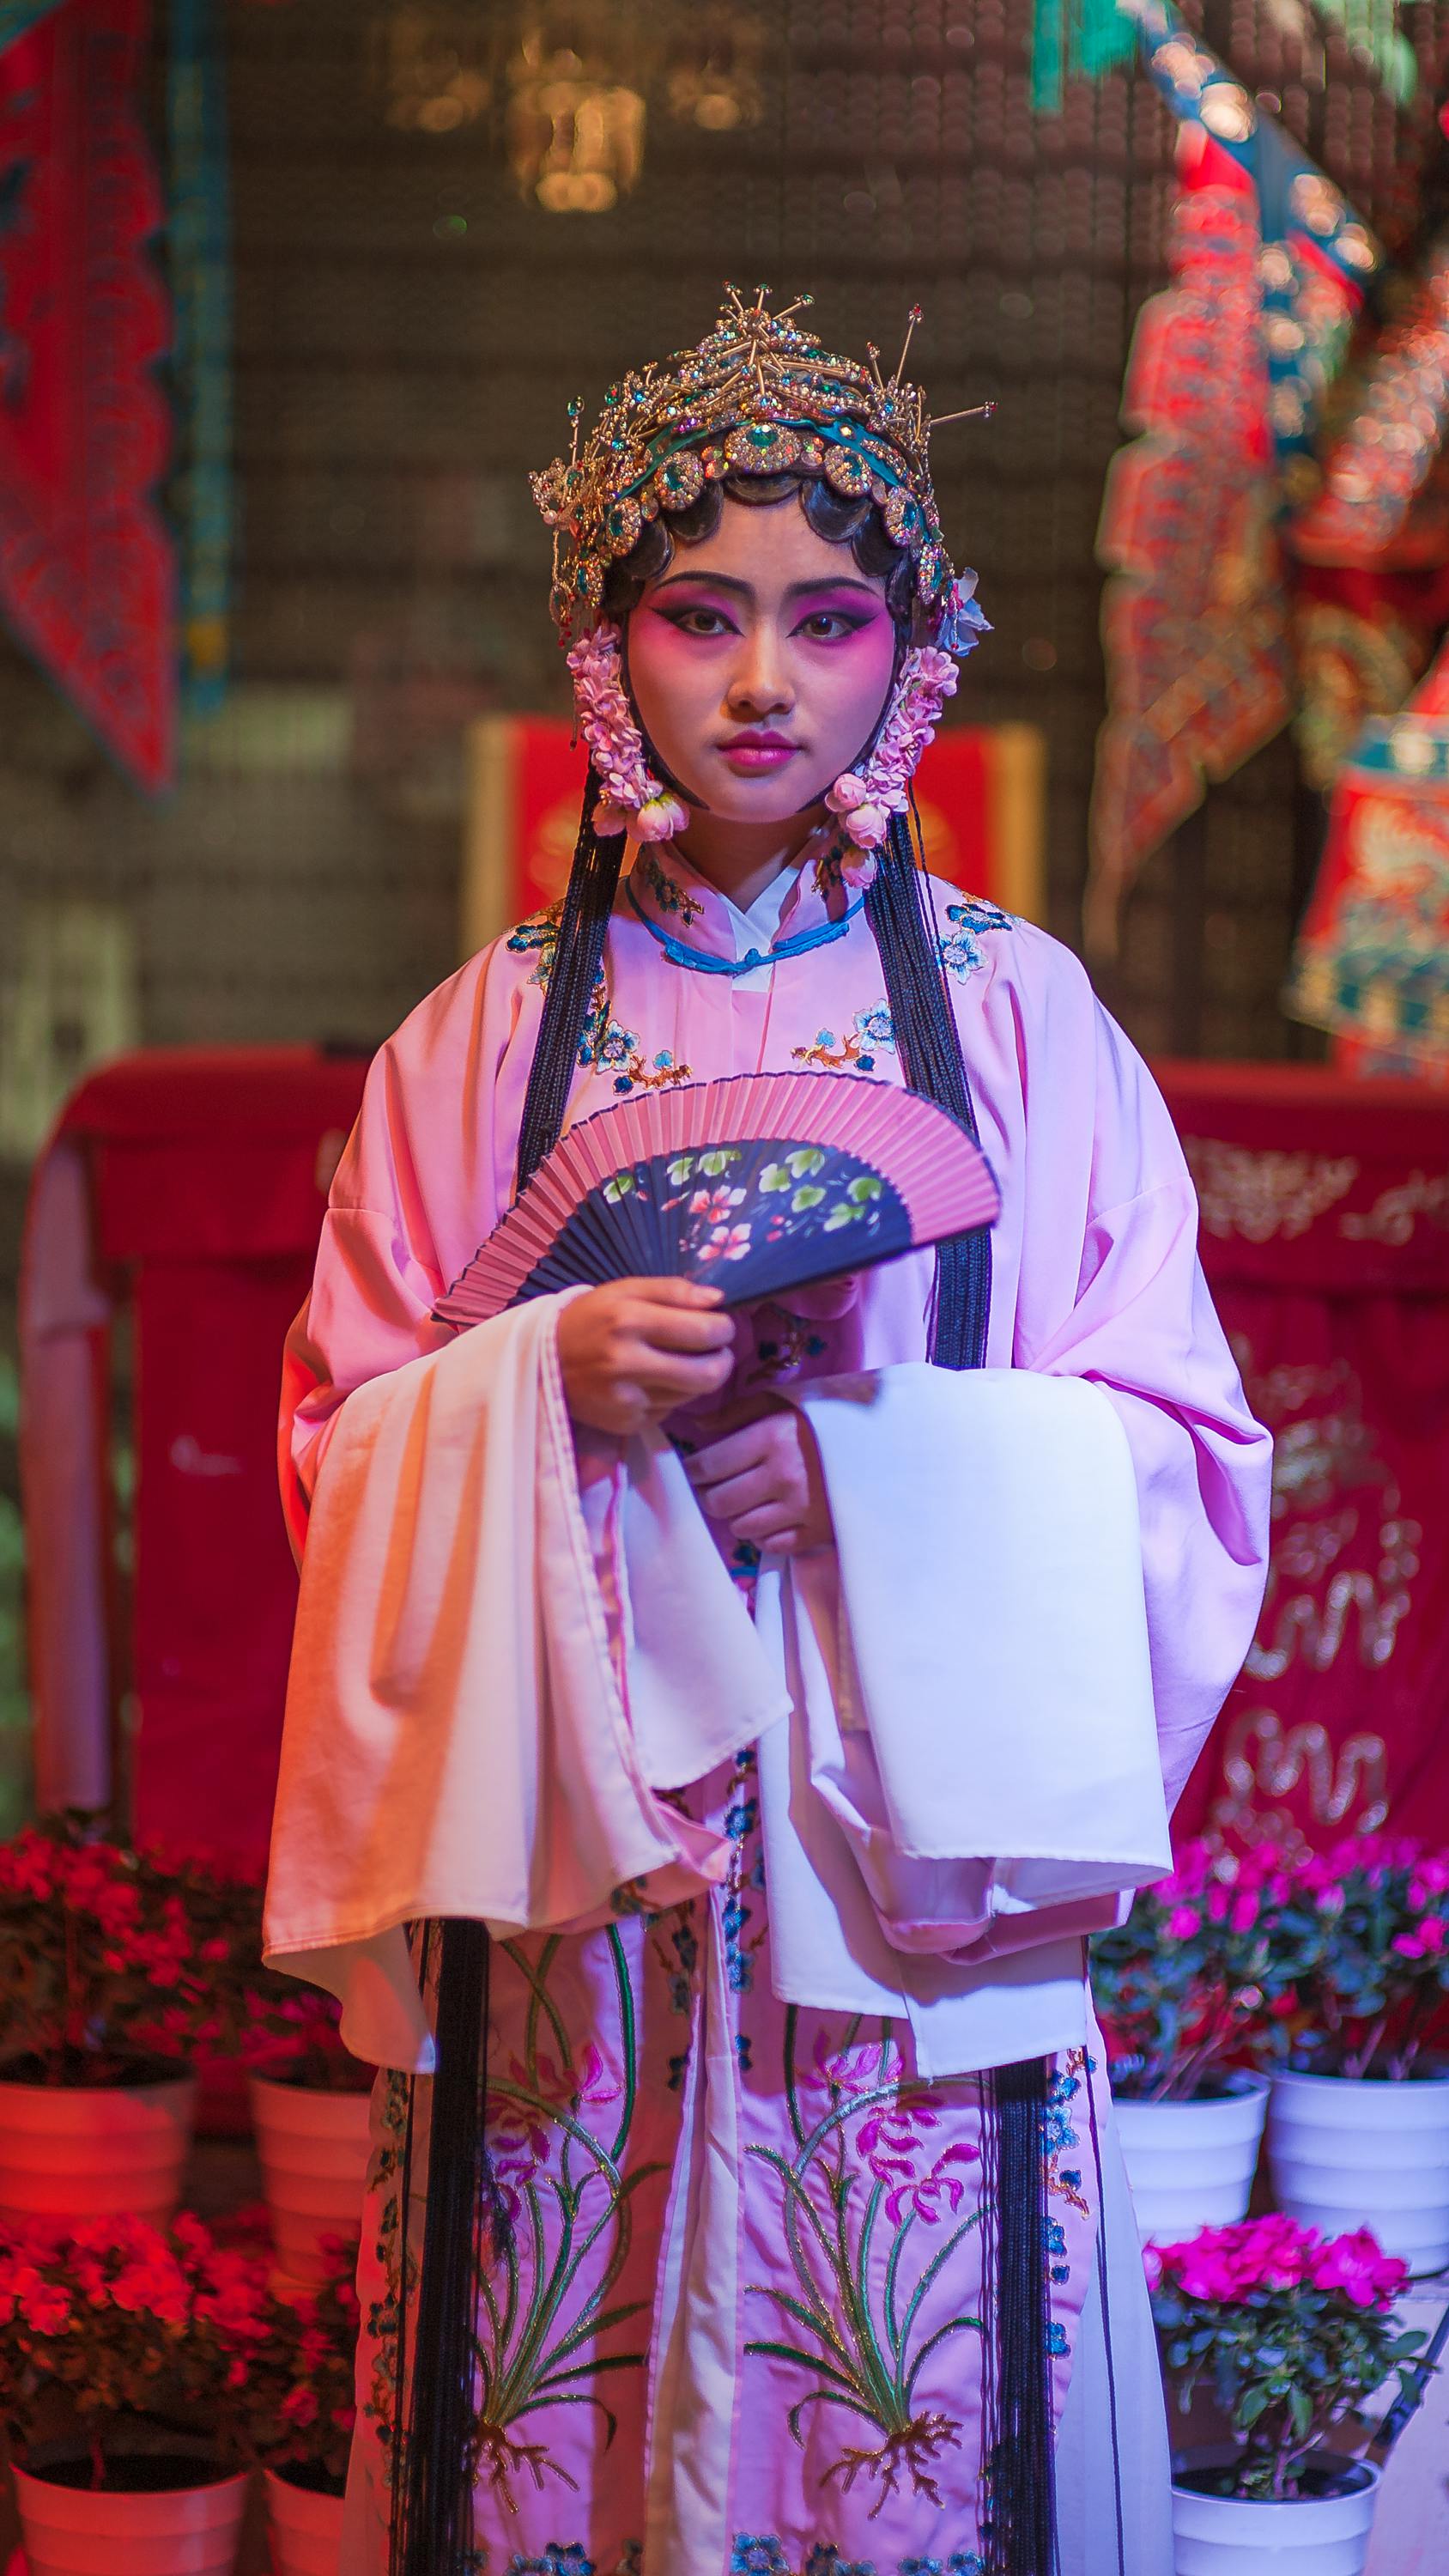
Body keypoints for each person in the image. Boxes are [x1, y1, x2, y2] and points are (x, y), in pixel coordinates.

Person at [264, 286, 1272, 2576]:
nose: (757, 682)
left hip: (893, 1857)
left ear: (905, 656)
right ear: (603, 642)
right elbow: (340, 1446)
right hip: (579, 1871)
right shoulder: (471, 1045)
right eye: (699, 614)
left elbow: (1190, 1460)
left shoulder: (1026, 1019)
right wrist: (535, 1390)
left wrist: (871, 1473)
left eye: (823, 622)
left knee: (901, 2416)